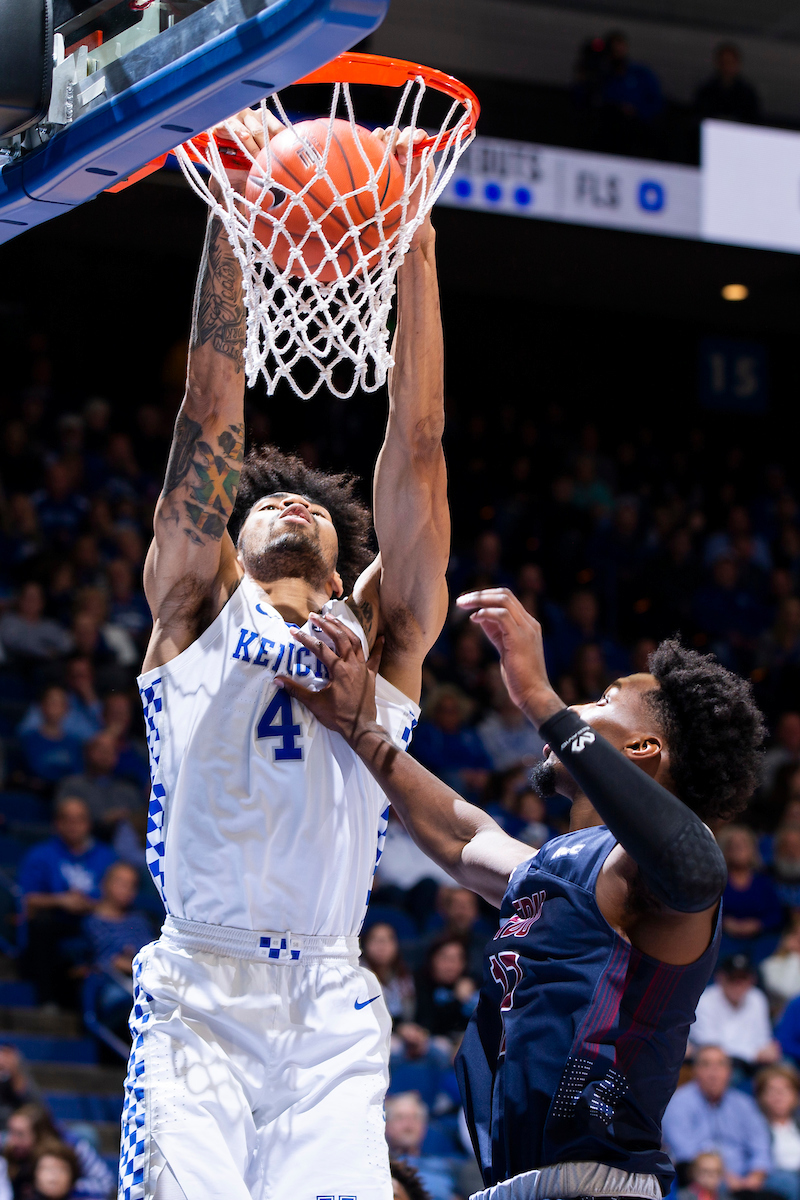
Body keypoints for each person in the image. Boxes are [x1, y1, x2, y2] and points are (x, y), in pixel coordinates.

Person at [118, 113, 449, 1200]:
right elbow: (205, 408)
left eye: (311, 502)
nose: (290, 497)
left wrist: (415, 243)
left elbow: (419, 444)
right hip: (198, 994)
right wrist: (230, 212)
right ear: (234, 541)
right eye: (266, 502)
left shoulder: (382, 632)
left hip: (331, 1003)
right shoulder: (197, 611)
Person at [278, 583, 765, 1200]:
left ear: (642, 749)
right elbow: (460, 836)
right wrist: (357, 725)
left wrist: (540, 698)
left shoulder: (654, 878)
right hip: (515, 1184)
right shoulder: (559, 868)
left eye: (601, 700)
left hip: (597, 1186)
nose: (579, 706)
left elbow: (697, 866)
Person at [17, 797, 117, 1007]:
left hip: (93, 920)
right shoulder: (41, 854)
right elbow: (27, 899)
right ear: (57, 824)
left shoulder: (106, 856)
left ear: (88, 824)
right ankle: (47, 1001)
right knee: (42, 925)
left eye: (79, 820)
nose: (74, 826)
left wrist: (87, 905)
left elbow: (117, 898)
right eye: (67, 820)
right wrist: (61, 900)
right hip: (55, 921)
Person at [662, 1046, 772, 1194]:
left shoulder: (744, 1104)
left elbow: (761, 1145)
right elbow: (685, 1152)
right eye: (706, 1065)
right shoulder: (678, 1103)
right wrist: (724, 1177)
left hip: (746, 1181)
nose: (714, 1073)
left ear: (730, 1072)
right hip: (699, 1179)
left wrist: (756, 1176)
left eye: (720, 1065)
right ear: (695, 1070)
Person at [1, 1103, 113, 1200]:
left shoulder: (72, 1147)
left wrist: (68, 1185)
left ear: (39, 1134)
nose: (12, 1141)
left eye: (20, 1134)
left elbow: (106, 1183)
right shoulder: (11, 1152)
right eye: (11, 1132)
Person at [689, 956, 779, 1074]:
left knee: (781, 1072)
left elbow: (763, 1038)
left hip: (755, 1063)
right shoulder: (704, 1001)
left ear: (752, 980)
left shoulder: (757, 998)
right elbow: (710, 1046)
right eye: (733, 978)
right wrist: (753, 1054)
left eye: (743, 978)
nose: (738, 984)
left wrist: (768, 1049)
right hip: (721, 1063)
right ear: (720, 978)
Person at [716, 826, 782, 963]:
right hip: (725, 939)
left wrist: (758, 924)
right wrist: (725, 923)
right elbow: (709, 913)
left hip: (760, 940)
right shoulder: (717, 882)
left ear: (752, 849)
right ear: (725, 850)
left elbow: (776, 915)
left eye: (743, 845)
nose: (739, 850)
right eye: (734, 846)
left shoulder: (764, 882)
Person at [385, 1093, 460, 1200]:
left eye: (415, 1117)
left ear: (424, 1127)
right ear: (386, 1125)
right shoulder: (378, 1168)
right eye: (400, 1117)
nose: (408, 1125)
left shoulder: (449, 1167)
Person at [754, 1065, 800, 1200]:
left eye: (784, 1090)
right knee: (788, 1181)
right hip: (773, 1181)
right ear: (761, 1097)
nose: (778, 1096)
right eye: (772, 1090)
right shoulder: (755, 1127)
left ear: (796, 1096)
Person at [360, 922, 416, 1025]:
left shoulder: (404, 975)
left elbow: (409, 1015)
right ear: (365, 944)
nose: (381, 946)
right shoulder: (357, 976)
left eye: (387, 940)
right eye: (375, 940)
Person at [694, 44, 761, 125]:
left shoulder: (747, 93)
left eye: (730, 62)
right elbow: (699, 117)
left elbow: (753, 121)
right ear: (717, 64)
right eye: (723, 63)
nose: (727, 67)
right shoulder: (706, 91)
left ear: (737, 64)